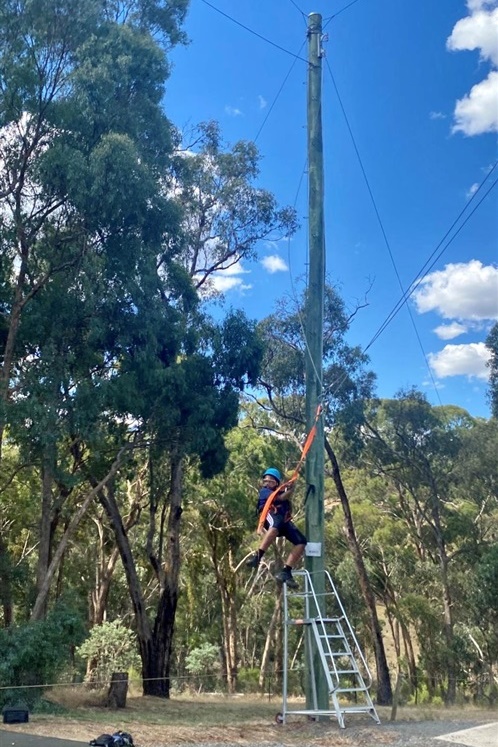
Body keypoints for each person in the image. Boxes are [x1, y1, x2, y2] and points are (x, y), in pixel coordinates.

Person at [246, 467, 307, 589]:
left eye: (270, 481)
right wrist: (291, 490)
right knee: (275, 526)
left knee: (301, 541)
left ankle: (287, 571)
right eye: (265, 481)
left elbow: (285, 494)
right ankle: (258, 556)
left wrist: (291, 485)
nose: (267, 483)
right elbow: (280, 498)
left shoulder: (280, 489)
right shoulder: (265, 491)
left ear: (276, 483)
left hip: (283, 520)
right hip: (270, 515)